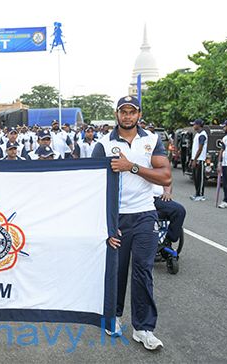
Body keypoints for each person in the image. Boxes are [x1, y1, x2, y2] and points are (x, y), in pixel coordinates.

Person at [92, 95, 171, 351]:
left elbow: (165, 176)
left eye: (132, 112)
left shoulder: (152, 140)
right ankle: (113, 316)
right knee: (117, 270)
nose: (127, 116)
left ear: (139, 114)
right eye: (123, 112)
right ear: (116, 114)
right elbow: (93, 185)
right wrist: (104, 222)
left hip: (145, 213)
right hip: (117, 217)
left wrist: (131, 167)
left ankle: (144, 328)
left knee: (143, 271)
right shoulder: (103, 144)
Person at [189, 119, 208, 201]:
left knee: (200, 178)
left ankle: (200, 194)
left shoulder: (202, 135)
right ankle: (197, 193)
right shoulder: (197, 134)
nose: (193, 126)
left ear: (199, 125)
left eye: (194, 124)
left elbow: (200, 149)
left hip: (200, 160)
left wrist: (195, 159)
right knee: (195, 178)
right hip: (195, 159)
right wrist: (192, 159)